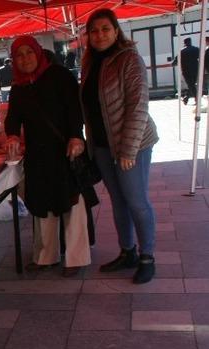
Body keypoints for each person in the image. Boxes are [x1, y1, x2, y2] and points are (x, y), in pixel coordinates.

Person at [81, 8, 158, 284]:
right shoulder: (90, 63)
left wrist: (128, 150)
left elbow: (138, 106)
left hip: (132, 145)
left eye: (105, 29)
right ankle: (128, 252)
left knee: (136, 201)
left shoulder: (129, 59)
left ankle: (147, 257)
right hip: (103, 146)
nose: (99, 35)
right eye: (94, 31)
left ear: (116, 31)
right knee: (118, 201)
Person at [5, 36, 90, 277]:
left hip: (66, 150)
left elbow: (75, 109)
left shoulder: (59, 75)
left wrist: (76, 136)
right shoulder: (18, 87)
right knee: (43, 205)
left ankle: (76, 258)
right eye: (19, 55)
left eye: (29, 53)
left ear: (38, 52)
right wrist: (12, 135)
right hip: (38, 154)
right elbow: (13, 118)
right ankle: (46, 257)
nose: (25, 59)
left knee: (72, 203)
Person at [172, 38, 199, 105]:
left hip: (186, 71)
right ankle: (188, 98)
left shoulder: (182, 51)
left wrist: (173, 63)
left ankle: (192, 98)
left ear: (184, 43)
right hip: (195, 70)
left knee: (191, 85)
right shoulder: (196, 49)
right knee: (192, 84)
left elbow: (175, 62)